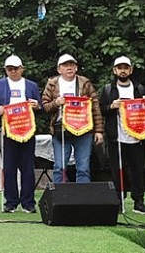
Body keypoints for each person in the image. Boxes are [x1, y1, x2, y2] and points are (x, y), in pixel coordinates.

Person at [100, 56, 145, 214]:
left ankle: (139, 202)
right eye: (119, 68)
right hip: (116, 137)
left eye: (125, 67)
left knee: (138, 170)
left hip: (137, 137)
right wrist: (111, 106)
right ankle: (118, 201)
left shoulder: (139, 89)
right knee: (117, 170)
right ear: (114, 70)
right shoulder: (108, 89)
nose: (122, 71)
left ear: (130, 70)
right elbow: (101, 109)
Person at [42, 54, 104, 184]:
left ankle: (82, 200)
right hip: (61, 130)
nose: (69, 67)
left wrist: (99, 130)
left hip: (84, 130)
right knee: (60, 167)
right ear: (59, 69)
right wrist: (56, 103)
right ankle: (59, 199)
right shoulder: (52, 84)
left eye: (72, 65)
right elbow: (45, 107)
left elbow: (95, 106)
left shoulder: (85, 83)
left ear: (76, 68)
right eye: (65, 65)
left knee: (83, 168)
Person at [0, 55, 41, 214]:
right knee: (9, 167)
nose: (13, 71)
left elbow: (39, 106)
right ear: (5, 70)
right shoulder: (0, 84)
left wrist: (36, 105)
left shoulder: (31, 85)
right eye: (9, 69)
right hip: (7, 130)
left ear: (22, 68)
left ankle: (28, 202)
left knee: (27, 167)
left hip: (27, 129)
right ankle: (11, 201)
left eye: (15, 68)